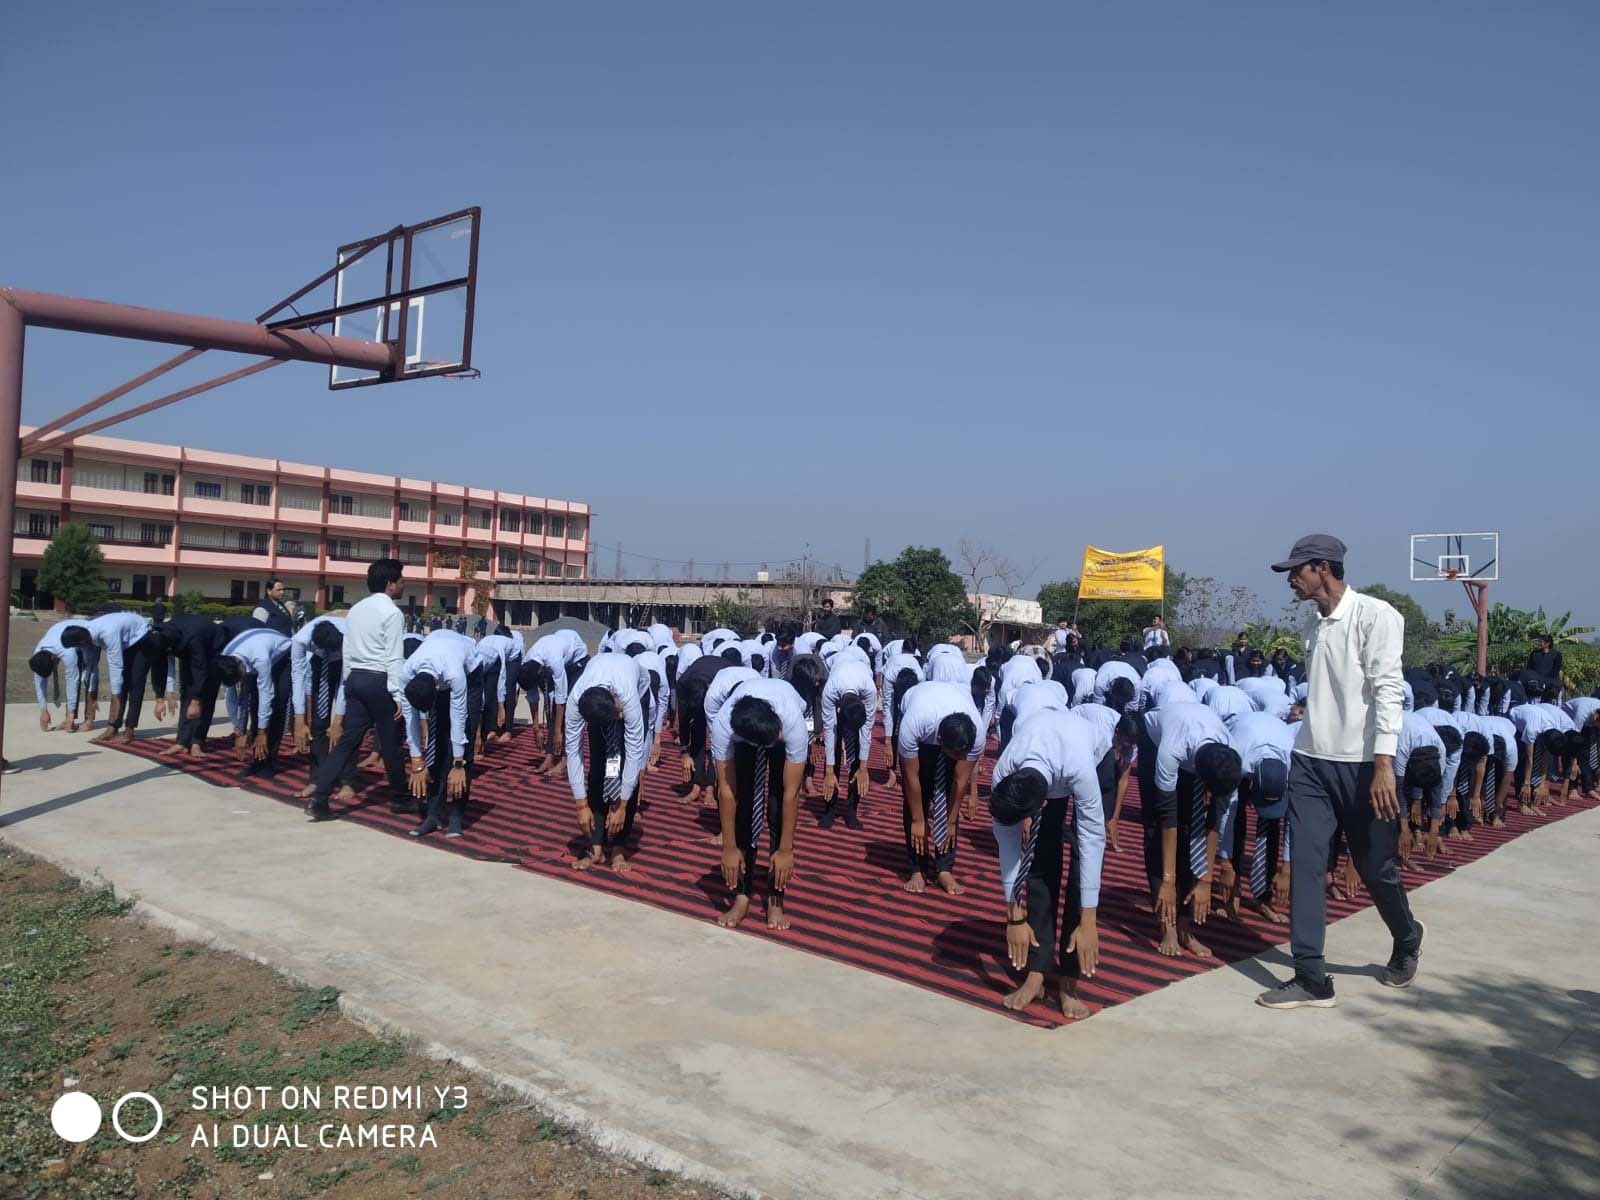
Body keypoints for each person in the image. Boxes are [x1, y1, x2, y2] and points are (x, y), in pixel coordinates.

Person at [1258, 535, 1423, 1010]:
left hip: (1365, 766)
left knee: (1376, 869)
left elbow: (1388, 689)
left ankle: (1407, 936)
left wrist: (1385, 764)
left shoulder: (1377, 616)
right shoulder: (1312, 625)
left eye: (1297, 571)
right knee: (1307, 867)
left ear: (1323, 568)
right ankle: (1311, 977)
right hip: (1310, 762)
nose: (1292, 579)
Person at [990, 708, 1105, 1018]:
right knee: (1039, 861)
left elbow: (1093, 838)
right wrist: (1014, 915)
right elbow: (1009, 845)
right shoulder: (1004, 771)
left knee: (1082, 868)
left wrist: (1089, 920)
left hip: (1094, 756)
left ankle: (1068, 981)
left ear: (1039, 805)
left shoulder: (1079, 767)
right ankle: (1037, 973)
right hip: (1044, 761)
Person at [305, 559, 409, 821]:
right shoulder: (393, 613)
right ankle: (400, 798)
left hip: (355, 679)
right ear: (390, 584)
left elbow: (348, 653)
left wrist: (346, 689)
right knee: (390, 744)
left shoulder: (356, 610)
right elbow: (394, 656)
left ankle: (319, 796)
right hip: (379, 680)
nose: (403, 584)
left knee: (347, 743)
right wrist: (397, 694)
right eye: (401, 580)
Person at [1137, 700, 1242, 958]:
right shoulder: (1171, 751)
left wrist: (1205, 878)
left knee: (1193, 829)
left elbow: (1215, 820)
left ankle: (1185, 926)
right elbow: (1167, 818)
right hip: (1154, 739)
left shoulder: (1231, 756)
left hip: (1199, 752)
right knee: (1158, 835)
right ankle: (1168, 927)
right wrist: (1169, 881)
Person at [712, 677, 809, 929]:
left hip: (784, 731)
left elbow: (791, 793)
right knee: (744, 806)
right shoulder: (724, 726)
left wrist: (787, 849)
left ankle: (775, 900)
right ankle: (742, 896)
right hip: (743, 736)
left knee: (777, 808)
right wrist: (729, 846)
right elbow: (725, 789)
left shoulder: (792, 723)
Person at [895, 680, 982, 895]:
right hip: (921, 729)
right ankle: (917, 869)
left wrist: (951, 820)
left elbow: (960, 781)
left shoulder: (975, 731)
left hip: (951, 726)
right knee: (918, 798)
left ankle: (944, 869)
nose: (962, 759)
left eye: (965, 754)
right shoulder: (913, 724)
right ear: (941, 742)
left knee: (947, 792)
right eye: (957, 755)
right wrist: (918, 819)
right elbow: (910, 777)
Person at [565, 653, 651, 870]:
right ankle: (596, 848)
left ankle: (619, 849)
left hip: (638, 693)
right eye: (615, 716)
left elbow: (634, 754)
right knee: (598, 768)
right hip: (601, 704)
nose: (619, 716)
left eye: (617, 712)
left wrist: (622, 805)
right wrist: (580, 805)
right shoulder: (576, 703)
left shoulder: (628, 698)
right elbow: (573, 753)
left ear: (613, 696)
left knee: (623, 770)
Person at [398, 628, 477, 839]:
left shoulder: (454, 674)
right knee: (437, 744)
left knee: (461, 744)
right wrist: (417, 761)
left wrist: (458, 763)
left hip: (471, 671)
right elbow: (411, 719)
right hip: (437, 653)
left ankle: (456, 817)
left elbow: (458, 717)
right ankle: (433, 815)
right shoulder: (406, 674)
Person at [66, 611, 163, 744]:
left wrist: (115, 696)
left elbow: (116, 665)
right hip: (127, 641)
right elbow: (90, 664)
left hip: (142, 637)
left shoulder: (107, 633)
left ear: (84, 641)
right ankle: (113, 727)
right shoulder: (87, 633)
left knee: (135, 683)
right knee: (121, 686)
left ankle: (129, 730)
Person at [218, 626, 294, 775]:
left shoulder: (260, 658)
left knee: (277, 705)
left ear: (240, 666)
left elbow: (267, 694)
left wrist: (262, 732)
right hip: (253, 655)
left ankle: (269, 762)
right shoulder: (225, 656)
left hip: (283, 657)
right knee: (254, 706)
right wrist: (239, 730)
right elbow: (236, 697)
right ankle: (257, 761)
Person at [154, 612, 231, 757]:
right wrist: (159, 698)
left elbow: (200, 669)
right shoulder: (161, 636)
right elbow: (159, 668)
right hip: (190, 647)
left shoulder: (193, 639)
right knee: (186, 695)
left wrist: (195, 701)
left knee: (205, 696)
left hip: (213, 649)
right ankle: (182, 742)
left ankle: (197, 741)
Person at [289, 615, 348, 791]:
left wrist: (338, 720)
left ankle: (347, 780)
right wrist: (300, 720)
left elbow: (345, 681)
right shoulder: (300, 640)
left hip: (347, 663)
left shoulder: (350, 636)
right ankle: (318, 779)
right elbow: (298, 676)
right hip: (318, 666)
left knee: (348, 724)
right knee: (318, 724)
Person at [520, 628, 589, 774]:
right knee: (553, 714)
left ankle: (565, 759)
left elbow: (560, 699)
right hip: (560, 647)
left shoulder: (554, 661)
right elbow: (532, 697)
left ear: (541, 672)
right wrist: (536, 728)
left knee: (570, 711)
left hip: (578, 662)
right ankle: (549, 757)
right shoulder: (527, 664)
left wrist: (558, 732)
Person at [819, 650, 876, 829]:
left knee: (858, 755)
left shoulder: (869, 690)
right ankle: (829, 809)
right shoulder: (830, 691)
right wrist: (829, 771)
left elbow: (866, 732)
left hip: (860, 676)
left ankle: (851, 810)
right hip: (837, 676)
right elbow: (829, 730)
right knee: (834, 749)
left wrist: (863, 767)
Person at [28, 619, 97, 733]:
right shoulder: (38, 655)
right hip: (65, 637)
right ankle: (69, 721)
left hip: (86, 635)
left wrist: (71, 712)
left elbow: (72, 681)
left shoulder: (67, 653)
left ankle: (88, 720)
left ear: (53, 659)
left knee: (89, 676)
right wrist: (43, 710)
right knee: (77, 678)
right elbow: (39, 682)